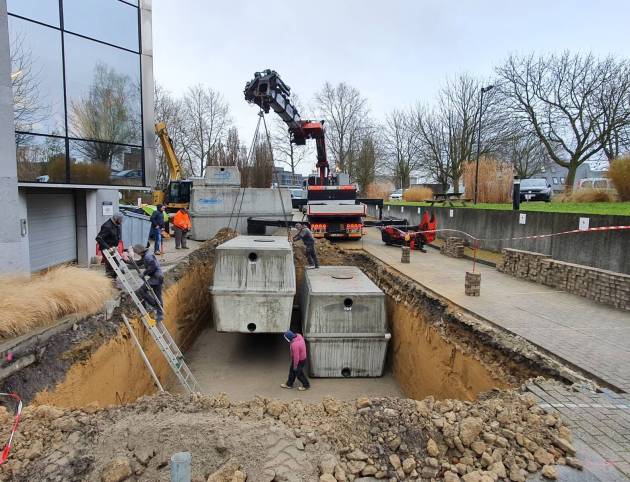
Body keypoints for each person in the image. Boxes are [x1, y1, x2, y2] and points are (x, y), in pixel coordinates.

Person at [131, 244, 164, 321]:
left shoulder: (148, 257)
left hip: (156, 277)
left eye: (137, 252)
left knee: (141, 290)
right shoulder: (145, 255)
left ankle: (154, 305)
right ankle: (160, 314)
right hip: (158, 277)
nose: (137, 254)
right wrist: (127, 262)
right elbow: (138, 263)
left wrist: (144, 273)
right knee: (158, 295)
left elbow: (153, 267)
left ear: (140, 252)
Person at [96, 213, 124, 278]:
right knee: (111, 266)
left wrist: (116, 246)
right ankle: (110, 283)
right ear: (116, 219)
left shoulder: (116, 224)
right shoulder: (107, 226)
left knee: (116, 265)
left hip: (113, 248)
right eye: (120, 220)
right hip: (107, 249)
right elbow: (98, 238)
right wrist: (108, 248)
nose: (121, 222)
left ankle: (113, 280)